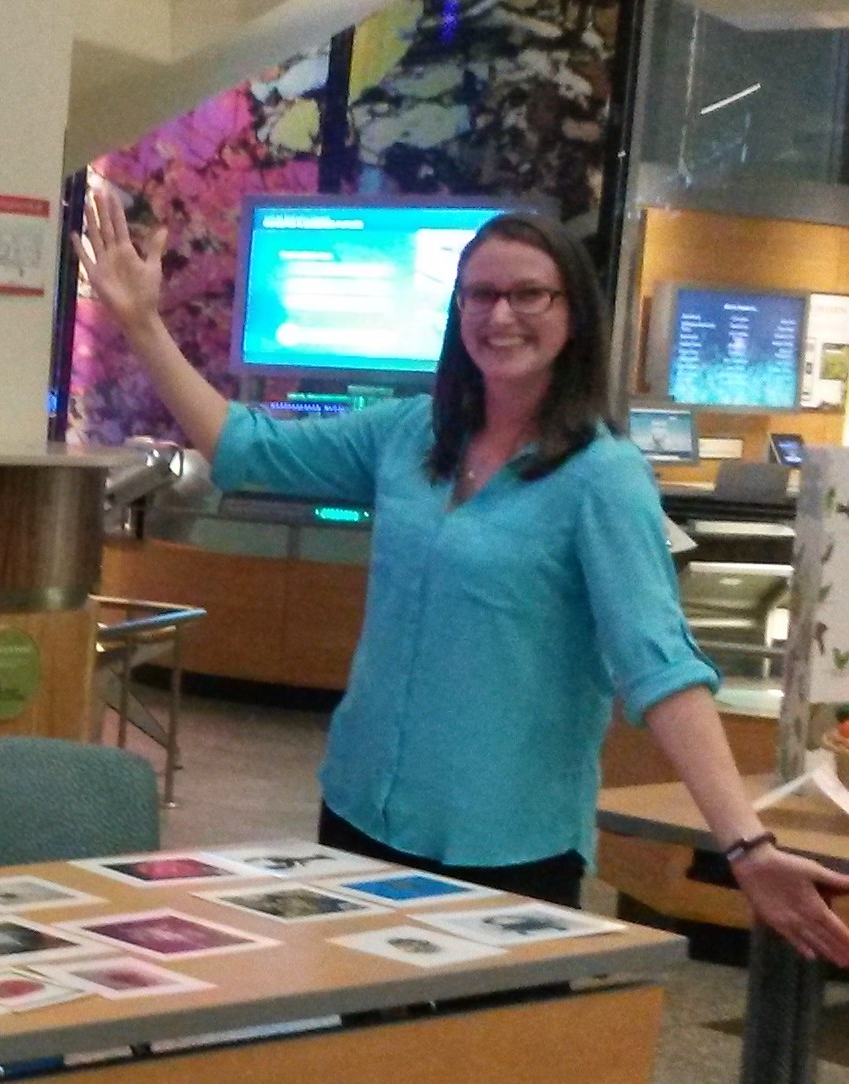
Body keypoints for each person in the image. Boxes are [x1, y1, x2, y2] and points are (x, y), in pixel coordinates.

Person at [78, 188, 849, 965]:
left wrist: (746, 848)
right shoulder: (414, 433)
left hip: (504, 850)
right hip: (360, 818)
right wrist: (142, 323)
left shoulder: (602, 478)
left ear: (573, 311)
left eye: (528, 294)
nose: (500, 315)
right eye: (481, 294)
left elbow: (661, 670)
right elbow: (250, 450)